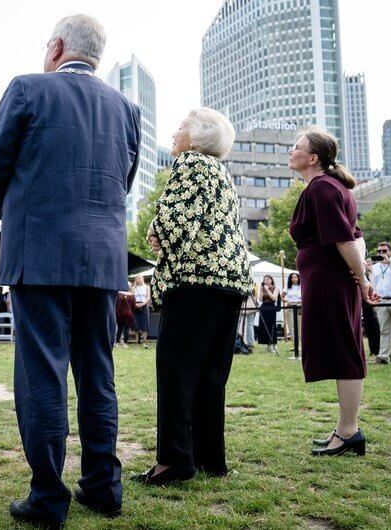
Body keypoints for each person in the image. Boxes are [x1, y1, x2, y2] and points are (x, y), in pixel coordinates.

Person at [0, 14, 140, 526]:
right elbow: (125, 175)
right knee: (98, 374)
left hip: (39, 253)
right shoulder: (128, 109)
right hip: (102, 257)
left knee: (41, 374)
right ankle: (103, 487)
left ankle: (48, 497)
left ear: (56, 47)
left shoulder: (28, 88)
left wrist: (11, 210)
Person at [141, 108, 251, 486]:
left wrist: (156, 228)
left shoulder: (190, 163)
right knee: (211, 373)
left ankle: (173, 461)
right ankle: (209, 458)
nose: (175, 131)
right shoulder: (222, 172)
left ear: (199, 136)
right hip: (229, 280)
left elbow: (175, 223)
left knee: (176, 369)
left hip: (195, 281)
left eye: (182, 125)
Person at [288, 126, 380, 457]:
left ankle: (349, 431)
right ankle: (344, 429)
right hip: (326, 281)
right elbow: (357, 236)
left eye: (296, 147)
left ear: (313, 158)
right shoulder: (326, 188)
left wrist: (362, 279)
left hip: (331, 281)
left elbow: (346, 238)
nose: (291, 151)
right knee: (342, 350)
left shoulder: (323, 189)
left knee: (345, 353)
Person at [361, 260, 381, 357]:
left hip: (377, 301)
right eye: (366, 264)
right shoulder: (362, 275)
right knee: (369, 328)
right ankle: (372, 350)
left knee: (376, 328)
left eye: (369, 264)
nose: (367, 266)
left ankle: (378, 350)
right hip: (366, 305)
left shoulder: (377, 274)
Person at [259, 275, 280, 353]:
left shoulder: (275, 288)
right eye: (264, 280)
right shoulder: (263, 288)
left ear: (271, 280)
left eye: (267, 279)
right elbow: (260, 299)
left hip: (271, 308)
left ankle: (273, 344)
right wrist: (261, 291)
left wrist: (267, 290)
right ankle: (268, 344)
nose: (266, 281)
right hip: (263, 308)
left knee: (271, 326)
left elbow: (274, 298)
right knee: (264, 326)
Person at [131, 274, 151, 347]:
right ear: (136, 280)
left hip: (144, 305)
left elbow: (148, 297)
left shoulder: (147, 287)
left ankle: (144, 341)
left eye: (140, 278)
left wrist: (143, 304)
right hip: (135, 305)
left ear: (143, 279)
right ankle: (137, 341)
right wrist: (135, 304)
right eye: (137, 278)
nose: (139, 280)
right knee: (136, 323)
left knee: (145, 324)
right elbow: (132, 297)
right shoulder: (133, 288)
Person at [238, 283, 259, 351]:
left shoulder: (253, 285)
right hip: (250, 305)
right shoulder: (254, 285)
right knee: (246, 325)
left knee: (247, 325)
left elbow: (252, 294)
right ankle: (245, 342)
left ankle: (248, 342)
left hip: (249, 305)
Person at [283, 273, 302, 344]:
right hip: (290, 307)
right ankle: (295, 344)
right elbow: (282, 297)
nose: (294, 279)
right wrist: (287, 301)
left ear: (298, 278)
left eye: (295, 277)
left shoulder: (302, 286)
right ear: (290, 279)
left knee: (299, 327)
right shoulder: (287, 287)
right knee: (291, 327)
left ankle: (299, 344)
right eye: (292, 277)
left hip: (299, 307)